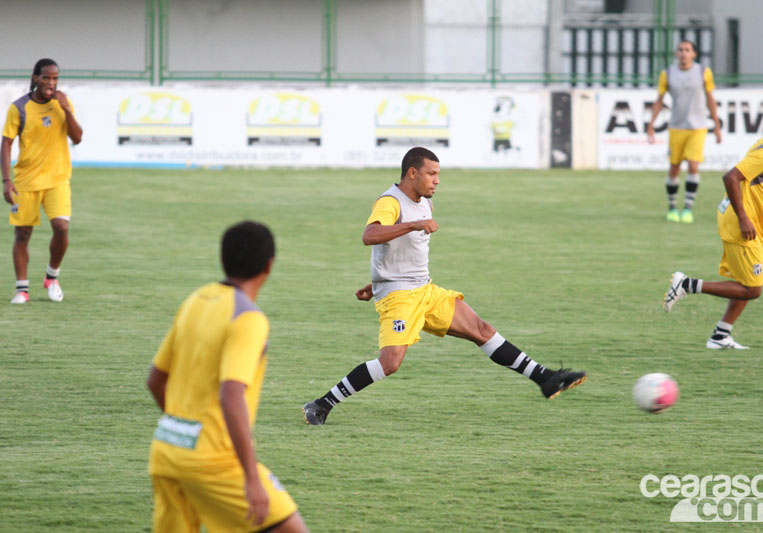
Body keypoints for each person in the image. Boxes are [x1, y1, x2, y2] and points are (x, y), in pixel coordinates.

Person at [303, 147, 586, 425]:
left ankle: (545, 378)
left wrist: (375, 280)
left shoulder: (425, 202)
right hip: (400, 297)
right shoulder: (390, 202)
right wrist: (412, 227)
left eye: (438, 174)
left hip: (425, 291)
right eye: (432, 173)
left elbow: (402, 252)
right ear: (412, 173)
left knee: (482, 330)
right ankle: (321, 404)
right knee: (390, 363)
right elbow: (370, 235)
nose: (437, 180)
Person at [147, 221, 308, 533]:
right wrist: (250, 478)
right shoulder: (248, 318)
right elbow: (231, 395)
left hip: (166, 451)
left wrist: (183, 427)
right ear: (269, 265)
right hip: (214, 462)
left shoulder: (196, 300)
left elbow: (155, 380)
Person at [664, 105, 763, 349]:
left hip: (738, 219)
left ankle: (720, 335)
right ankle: (686, 284)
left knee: (744, 281)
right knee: (752, 289)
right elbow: (730, 177)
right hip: (742, 224)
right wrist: (744, 218)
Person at [2, 58, 82, 304]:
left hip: (57, 179)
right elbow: (6, 143)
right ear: (35, 78)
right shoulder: (19, 108)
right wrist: (6, 180)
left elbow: (77, 137)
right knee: (23, 234)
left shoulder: (62, 104)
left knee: (62, 227)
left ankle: (52, 276)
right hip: (26, 181)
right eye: (46, 77)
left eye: (55, 78)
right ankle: (22, 290)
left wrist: (67, 109)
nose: (51, 82)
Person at [647, 40, 721, 224]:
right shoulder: (668, 74)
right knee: (674, 167)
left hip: (697, 128)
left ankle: (687, 208)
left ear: (694, 54)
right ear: (676, 54)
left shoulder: (704, 72)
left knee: (693, 166)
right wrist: (651, 123)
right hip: (676, 127)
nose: (683, 53)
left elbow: (710, 98)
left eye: (687, 50)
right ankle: (672, 207)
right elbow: (659, 100)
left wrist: (717, 124)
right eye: (680, 50)